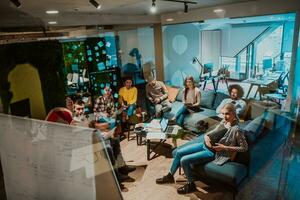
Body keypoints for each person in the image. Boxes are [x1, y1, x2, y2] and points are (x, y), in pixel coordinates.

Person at [156, 103, 248, 194]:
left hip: (211, 153)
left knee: (184, 160)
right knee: (179, 152)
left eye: (227, 114)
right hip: (203, 144)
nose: (224, 116)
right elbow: (215, 131)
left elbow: (244, 147)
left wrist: (225, 147)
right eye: (223, 114)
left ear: (234, 113)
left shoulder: (236, 130)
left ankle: (190, 184)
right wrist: (206, 136)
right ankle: (169, 176)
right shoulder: (224, 121)